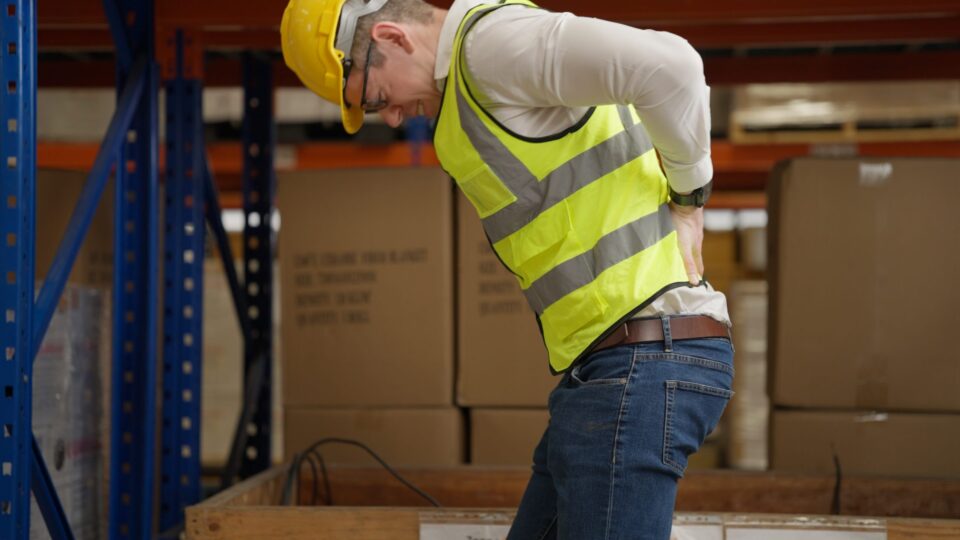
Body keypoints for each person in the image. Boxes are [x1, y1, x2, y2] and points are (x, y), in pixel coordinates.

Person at [281, 0, 734, 538]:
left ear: (393, 38)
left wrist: (690, 199)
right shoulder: (468, 94)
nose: (396, 116)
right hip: (609, 368)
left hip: (643, 357)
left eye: (378, 99)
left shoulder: (491, 47)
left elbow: (672, 66)